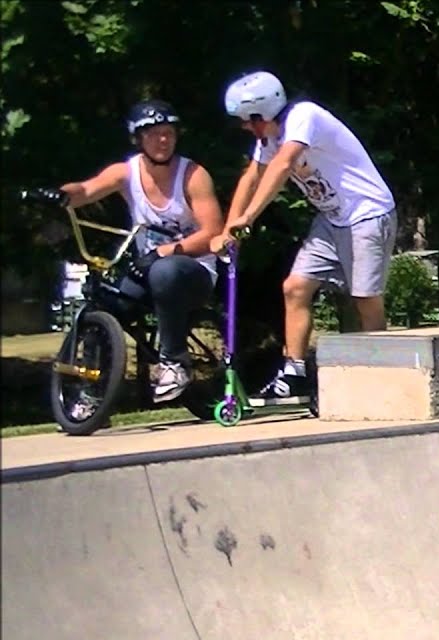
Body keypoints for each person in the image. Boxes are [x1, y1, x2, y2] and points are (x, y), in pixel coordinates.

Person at [213, 70, 397, 401]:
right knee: (295, 287)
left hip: (368, 214)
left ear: (263, 113)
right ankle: (294, 373)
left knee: (364, 298)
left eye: (246, 120)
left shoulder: (304, 116)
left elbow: (283, 166)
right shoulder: (269, 138)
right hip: (332, 218)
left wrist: (249, 218)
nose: (244, 128)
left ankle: (385, 372)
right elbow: (252, 176)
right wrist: (229, 227)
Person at [57, 99, 224, 403]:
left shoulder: (193, 175)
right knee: (100, 302)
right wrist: (60, 195)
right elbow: (86, 190)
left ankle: (174, 362)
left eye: (168, 133)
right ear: (137, 139)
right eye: (153, 134)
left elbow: (213, 234)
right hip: (148, 269)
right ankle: (90, 392)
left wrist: (166, 251)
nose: (162, 140)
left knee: (165, 270)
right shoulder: (127, 172)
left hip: (193, 272)